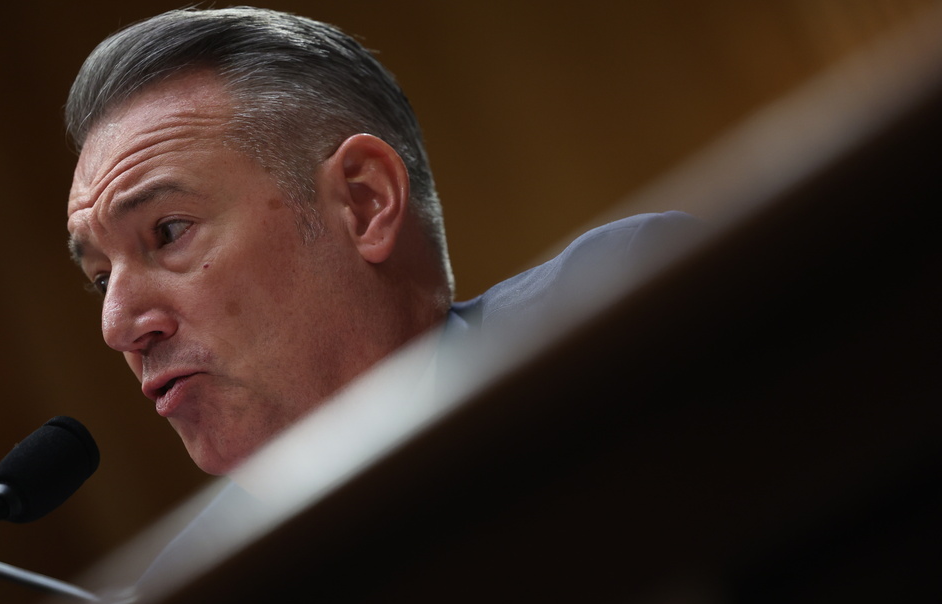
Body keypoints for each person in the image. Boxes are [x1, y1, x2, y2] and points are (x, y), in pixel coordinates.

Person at [66, 7, 698, 489]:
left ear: (364, 203)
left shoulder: (613, 307)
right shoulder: (173, 601)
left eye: (168, 232)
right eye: (99, 278)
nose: (117, 327)